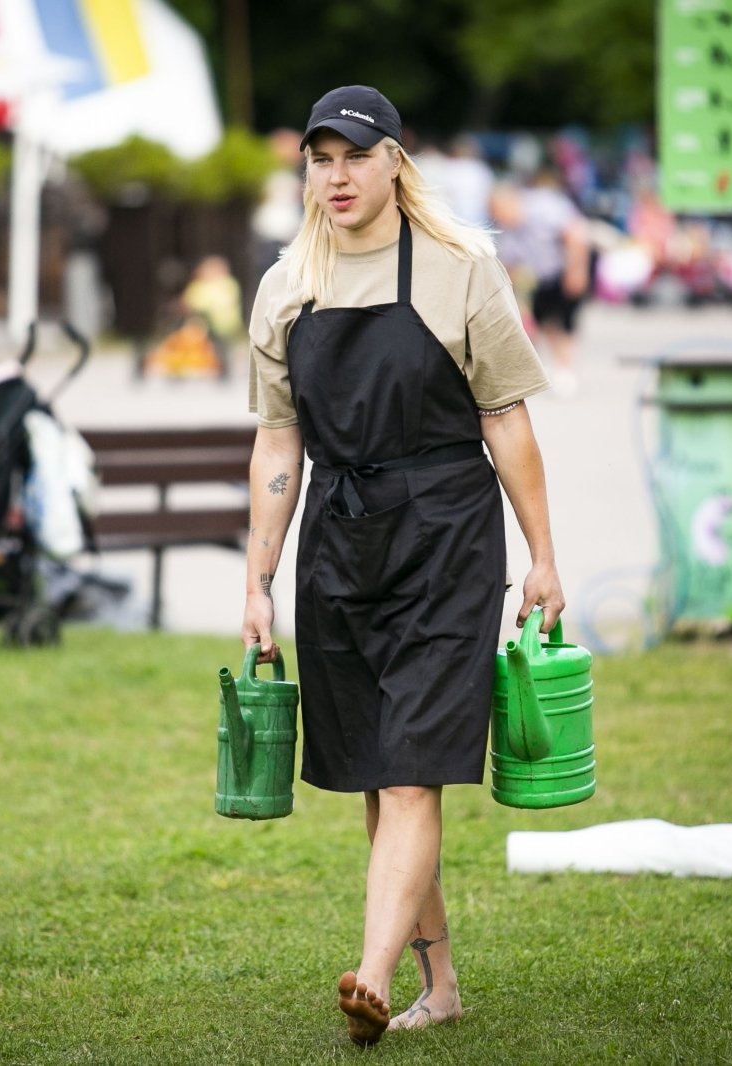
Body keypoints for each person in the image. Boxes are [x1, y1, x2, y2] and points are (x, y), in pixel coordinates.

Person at [242, 85, 565, 1047]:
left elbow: (507, 421)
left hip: (446, 537)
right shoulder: (285, 287)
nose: (336, 177)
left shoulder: (464, 270)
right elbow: (277, 445)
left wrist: (544, 557)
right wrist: (257, 582)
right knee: (380, 777)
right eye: (320, 158)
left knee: (415, 771)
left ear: (395, 163)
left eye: (354, 156)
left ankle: (372, 980)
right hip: (339, 545)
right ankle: (443, 986)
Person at [491, 169, 591, 394]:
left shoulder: (544, 206)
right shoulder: (508, 226)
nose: (500, 218)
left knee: (566, 321)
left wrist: (577, 271)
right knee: (543, 321)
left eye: (500, 212)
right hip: (540, 275)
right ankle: (558, 368)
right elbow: (509, 262)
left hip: (566, 266)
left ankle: (566, 371)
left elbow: (576, 235)